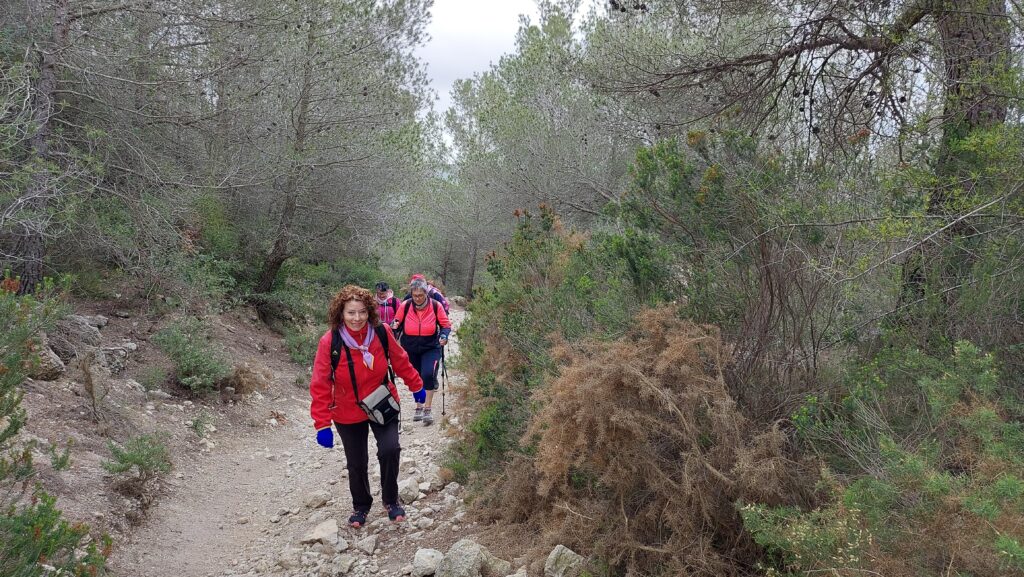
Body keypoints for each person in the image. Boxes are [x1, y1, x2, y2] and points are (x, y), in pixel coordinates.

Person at [309, 285, 424, 528]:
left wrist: (416, 385)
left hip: (382, 402)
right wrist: (322, 424)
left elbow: (400, 361)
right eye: (351, 312)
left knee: (390, 449)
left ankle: (391, 500)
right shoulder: (330, 341)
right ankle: (361, 506)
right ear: (341, 313)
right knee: (357, 462)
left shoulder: (381, 332)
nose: (357, 318)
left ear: (369, 311)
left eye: (362, 312)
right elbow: (320, 383)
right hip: (347, 410)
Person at [392, 278, 452, 425]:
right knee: (416, 377)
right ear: (411, 294)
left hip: (430, 347)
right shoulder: (406, 305)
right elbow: (397, 323)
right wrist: (395, 326)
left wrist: (444, 336)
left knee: (428, 374)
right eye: (415, 295)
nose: (417, 298)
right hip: (410, 347)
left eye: (420, 295)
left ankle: (427, 408)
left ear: (426, 293)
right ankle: (419, 405)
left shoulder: (435, 306)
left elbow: (445, 325)